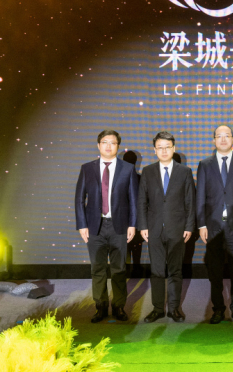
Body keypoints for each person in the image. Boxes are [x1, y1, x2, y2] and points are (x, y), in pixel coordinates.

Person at [75, 129, 138, 323]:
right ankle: (100, 306)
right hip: (95, 227)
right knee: (98, 269)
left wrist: (132, 224)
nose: (108, 146)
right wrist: (82, 225)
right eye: (105, 142)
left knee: (119, 269)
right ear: (98, 145)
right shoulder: (87, 168)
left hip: (119, 226)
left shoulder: (127, 169)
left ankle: (119, 306)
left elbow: (133, 200)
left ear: (118, 146)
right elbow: (79, 199)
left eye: (112, 142)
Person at [196, 124, 233, 324]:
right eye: (219, 136)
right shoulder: (205, 164)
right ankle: (218, 308)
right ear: (213, 140)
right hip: (213, 227)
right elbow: (200, 196)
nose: (222, 139)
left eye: (226, 135)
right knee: (215, 271)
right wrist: (201, 225)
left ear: (232, 139)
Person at [137, 131, 196, 323]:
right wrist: (143, 226)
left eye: (167, 147)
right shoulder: (147, 171)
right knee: (156, 271)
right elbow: (142, 201)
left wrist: (189, 226)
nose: (164, 151)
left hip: (177, 229)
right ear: (154, 150)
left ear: (174, 148)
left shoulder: (184, 172)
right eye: (160, 148)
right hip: (153, 230)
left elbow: (190, 202)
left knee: (175, 271)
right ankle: (157, 309)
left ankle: (174, 308)